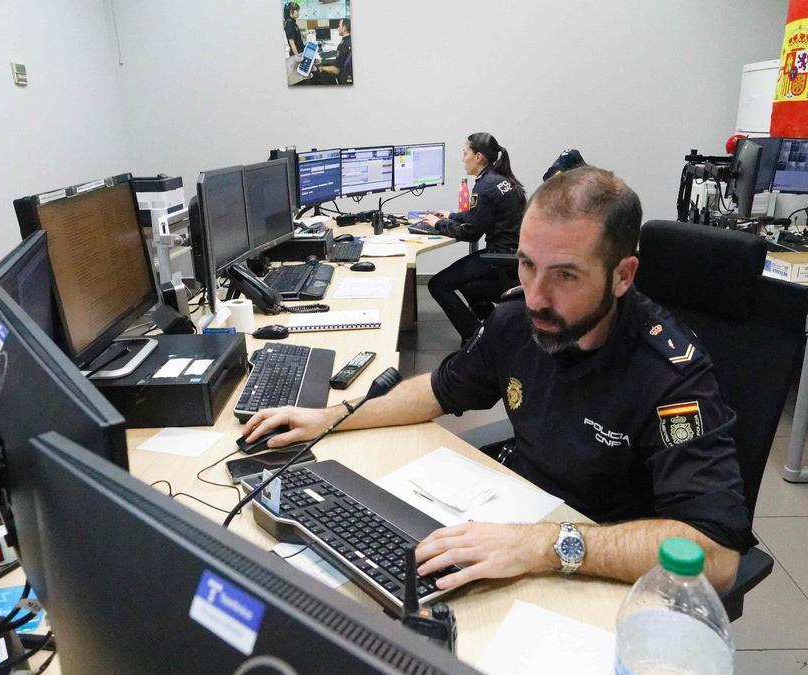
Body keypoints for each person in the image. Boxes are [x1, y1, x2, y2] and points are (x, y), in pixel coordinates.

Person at [242, 167, 752, 593]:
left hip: (599, 560)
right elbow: (439, 389)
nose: (536, 297)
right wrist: (330, 417)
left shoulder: (670, 375)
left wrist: (543, 544)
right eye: (528, 266)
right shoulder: (517, 319)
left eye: (565, 275)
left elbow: (719, 556)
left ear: (623, 276)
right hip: (515, 516)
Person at [424, 133, 527, 341]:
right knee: (466, 283)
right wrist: (452, 216)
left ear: (478, 156)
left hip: (499, 259)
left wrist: (438, 224)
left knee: (438, 284)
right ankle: (493, 333)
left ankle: (474, 338)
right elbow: (480, 216)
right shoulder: (501, 179)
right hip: (514, 257)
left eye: (465, 153)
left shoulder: (485, 186)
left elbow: (471, 232)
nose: (463, 159)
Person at [314, 18, 352, 84]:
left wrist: (321, 68)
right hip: (349, 75)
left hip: (341, 78)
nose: (338, 28)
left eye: (339, 26)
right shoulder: (350, 40)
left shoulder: (342, 45)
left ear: (344, 28)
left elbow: (336, 70)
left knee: (317, 72)